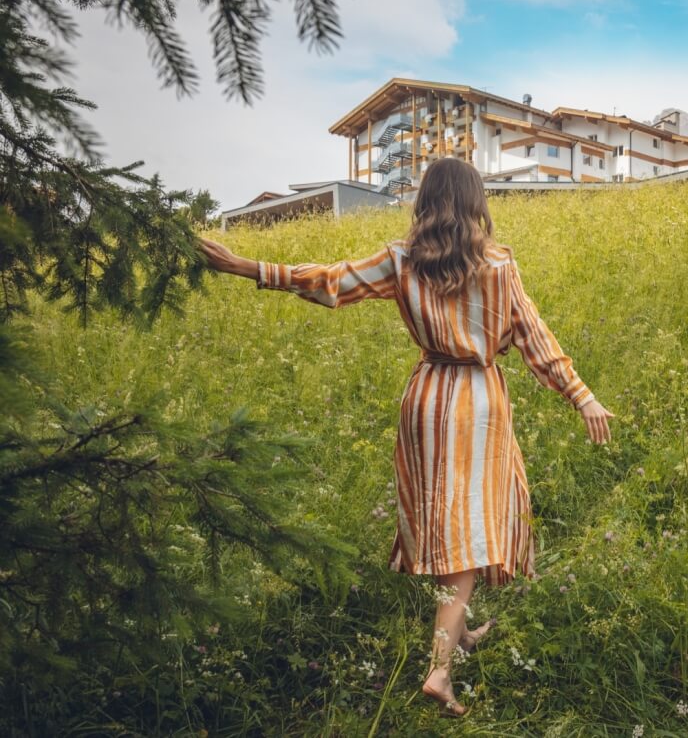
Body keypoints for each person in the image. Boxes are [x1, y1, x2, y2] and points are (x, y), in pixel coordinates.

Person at [197, 157, 613, 717]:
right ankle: (439, 671)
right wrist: (581, 395)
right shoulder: (498, 264)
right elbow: (536, 340)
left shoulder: (401, 261)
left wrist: (247, 265)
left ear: (425, 202)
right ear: (475, 202)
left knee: (449, 517)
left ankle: (459, 633)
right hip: (476, 401)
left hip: (426, 398)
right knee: (469, 526)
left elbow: (330, 282)